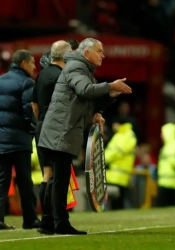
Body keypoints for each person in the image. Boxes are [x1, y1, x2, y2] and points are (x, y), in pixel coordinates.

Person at [38, 38, 132, 235]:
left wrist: (109, 95)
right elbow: (85, 90)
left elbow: (88, 101)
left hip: (61, 130)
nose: (103, 55)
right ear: (87, 53)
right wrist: (109, 85)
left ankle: (48, 222)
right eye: (99, 51)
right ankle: (60, 222)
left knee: (57, 177)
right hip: (60, 131)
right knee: (60, 178)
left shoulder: (83, 70)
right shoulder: (76, 68)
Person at [31, 40, 73, 235]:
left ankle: (46, 220)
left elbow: (34, 104)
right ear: (65, 56)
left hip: (41, 126)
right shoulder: (61, 76)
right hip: (55, 128)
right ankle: (56, 220)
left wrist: (41, 121)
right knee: (57, 175)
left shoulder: (42, 74)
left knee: (47, 174)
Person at [0, 50, 40, 230]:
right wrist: (32, 131)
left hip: (1, 139)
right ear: (23, 63)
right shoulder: (26, 82)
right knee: (24, 181)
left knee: (2, 181)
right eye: (32, 63)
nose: (34, 66)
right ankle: (30, 219)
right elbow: (28, 112)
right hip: (19, 140)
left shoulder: (0, 80)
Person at [105, 118, 137, 210]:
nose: (113, 125)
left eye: (115, 123)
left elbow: (117, 151)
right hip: (115, 174)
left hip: (119, 175)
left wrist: (103, 159)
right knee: (115, 202)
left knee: (118, 202)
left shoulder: (127, 135)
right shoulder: (120, 135)